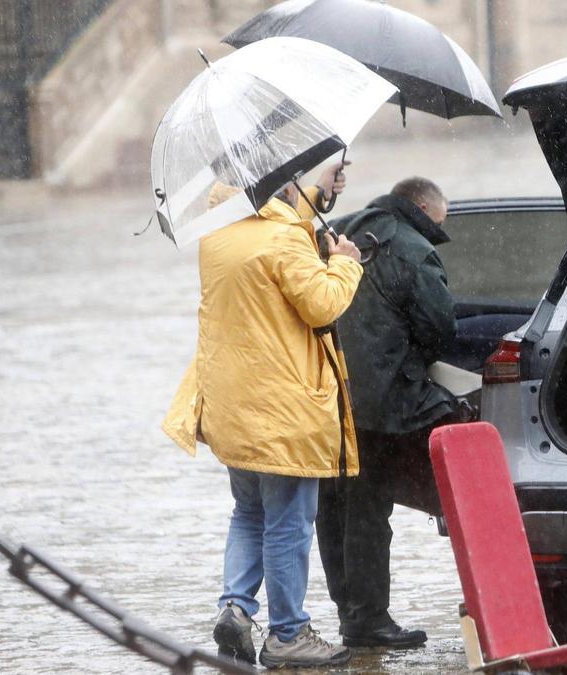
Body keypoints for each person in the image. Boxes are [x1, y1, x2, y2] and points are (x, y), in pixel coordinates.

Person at [162, 162, 364, 669]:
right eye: (298, 179)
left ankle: (235, 607)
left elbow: (272, 242)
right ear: (281, 186)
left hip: (233, 405)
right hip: (284, 408)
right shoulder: (283, 241)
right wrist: (345, 263)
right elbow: (321, 305)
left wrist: (317, 193)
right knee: (290, 522)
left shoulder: (220, 234)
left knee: (249, 513)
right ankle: (288, 633)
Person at [315, 176, 458, 649]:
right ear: (420, 206)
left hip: (327, 398)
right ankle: (369, 620)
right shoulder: (416, 251)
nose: (438, 233)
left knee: (335, 504)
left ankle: (350, 611)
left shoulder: (336, 232)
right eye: (438, 224)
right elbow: (440, 330)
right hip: (384, 406)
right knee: (370, 507)